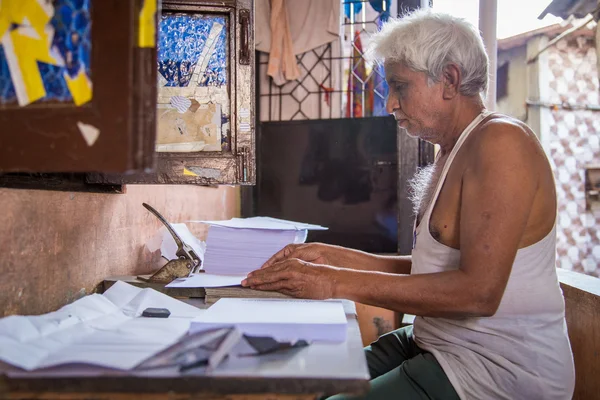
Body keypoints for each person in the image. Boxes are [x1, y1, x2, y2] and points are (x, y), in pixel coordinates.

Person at [242, 9, 575, 400]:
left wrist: (334, 281)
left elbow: (479, 293)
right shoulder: (453, 150)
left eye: (400, 86)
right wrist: (331, 258)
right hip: (436, 343)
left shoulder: (501, 143)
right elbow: (429, 269)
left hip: (496, 369)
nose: (391, 103)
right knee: (301, 385)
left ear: (449, 80)